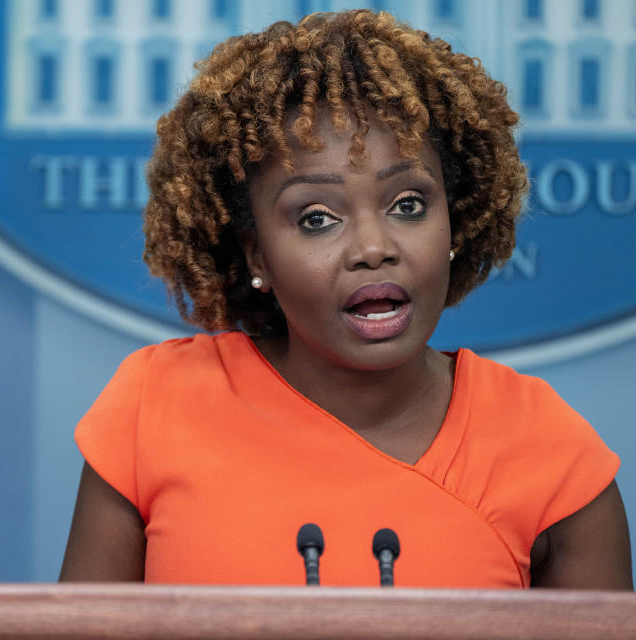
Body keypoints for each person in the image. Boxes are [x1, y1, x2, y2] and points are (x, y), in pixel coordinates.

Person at [59, 9, 632, 588]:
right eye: (316, 218)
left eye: (408, 204)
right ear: (257, 256)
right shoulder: (153, 409)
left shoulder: (551, 455)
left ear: (454, 224)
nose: (373, 248)